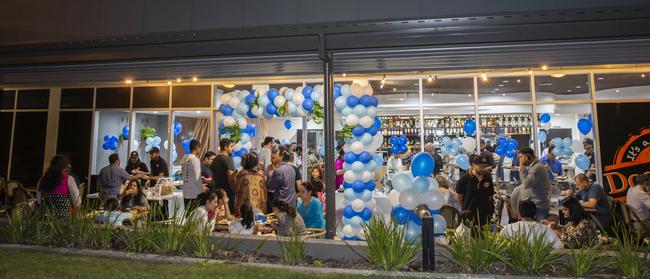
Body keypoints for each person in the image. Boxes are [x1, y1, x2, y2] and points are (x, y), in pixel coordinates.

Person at [37, 155, 81, 221]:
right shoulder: (68, 179)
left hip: (45, 222)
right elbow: (77, 202)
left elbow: (39, 201)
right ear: (64, 167)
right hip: (62, 223)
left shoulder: (41, 180)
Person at [456, 154, 495, 227]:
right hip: (469, 215)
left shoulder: (487, 177)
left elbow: (490, 194)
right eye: (481, 166)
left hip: (485, 215)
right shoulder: (464, 179)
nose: (483, 169)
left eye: (485, 166)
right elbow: (459, 197)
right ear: (473, 165)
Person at [518, 147, 550, 221]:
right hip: (533, 206)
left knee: (537, 231)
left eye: (521, 157)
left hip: (538, 206)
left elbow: (526, 183)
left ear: (527, 157)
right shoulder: (532, 166)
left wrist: (522, 168)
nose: (519, 160)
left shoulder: (537, 168)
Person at [211, 138, 237, 213]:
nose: (232, 149)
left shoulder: (215, 160)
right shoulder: (228, 159)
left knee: (219, 215)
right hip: (227, 193)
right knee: (229, 215)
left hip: (217, 192)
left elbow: (213, 178)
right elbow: (230, 176)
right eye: (231, 146)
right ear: (225, 147)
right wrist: (235, 190)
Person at [183, 140, 207, 213]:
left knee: (188, 217)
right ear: (197, 148)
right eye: (200, 148)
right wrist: (203, 190)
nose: (200, 150)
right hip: (195, 194)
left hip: (186, 192)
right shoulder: (195, 159)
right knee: (195, 217)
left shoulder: (185, 158)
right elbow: (198, 178)